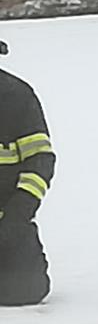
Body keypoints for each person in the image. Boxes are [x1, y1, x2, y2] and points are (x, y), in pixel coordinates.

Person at [0, 41, 54, 307]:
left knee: (26, 289)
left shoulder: (15, 96)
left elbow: (40, 160)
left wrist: (17, 214)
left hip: (7, 223)